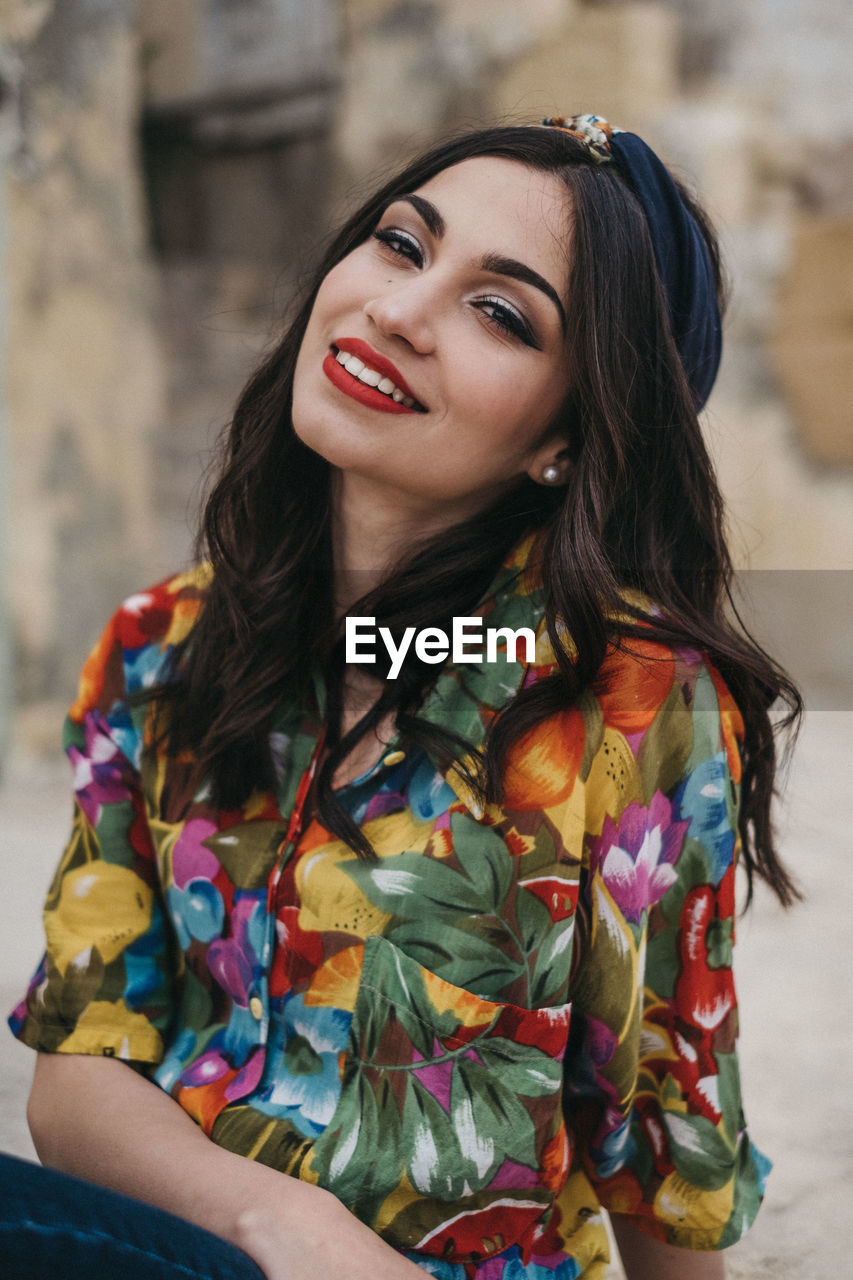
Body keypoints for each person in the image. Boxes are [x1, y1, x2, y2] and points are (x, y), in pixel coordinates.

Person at [3, 114, 800, 1280]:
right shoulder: (159, 643)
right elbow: (77, 1069)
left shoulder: (631, 705)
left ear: (570, 439)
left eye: (500, 311)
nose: (398, 310)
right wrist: (282, 1224)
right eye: (399, 242)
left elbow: (662, 1144)